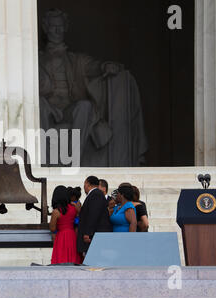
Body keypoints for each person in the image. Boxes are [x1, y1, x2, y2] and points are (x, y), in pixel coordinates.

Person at [39, 8, 147, 167]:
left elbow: (94, 66)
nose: (57, 30)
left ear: (65, 27)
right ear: (46, 28)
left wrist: (105, 66)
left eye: (61, 26)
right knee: (39, 104)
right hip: (48, 109)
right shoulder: (37, 59)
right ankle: (46, 160)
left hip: (69, 109)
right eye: (54, 26)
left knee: (85, 106)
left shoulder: (75, 60)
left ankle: (72, 160)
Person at [77, 176, 112, 259]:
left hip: (94, 235)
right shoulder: (95, 194)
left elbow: (93, 215)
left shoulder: (96, 194)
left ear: (88, 184)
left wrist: (88, 233)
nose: (84, 187)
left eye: (84, 184)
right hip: (94, 234)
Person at [49, 186, 81, 265]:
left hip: (61, 236)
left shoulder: (56, 211)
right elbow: (78, 219)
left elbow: (52, 228)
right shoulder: (74, 208)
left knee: (61, 259)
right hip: (72, 235)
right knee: (72, 258)